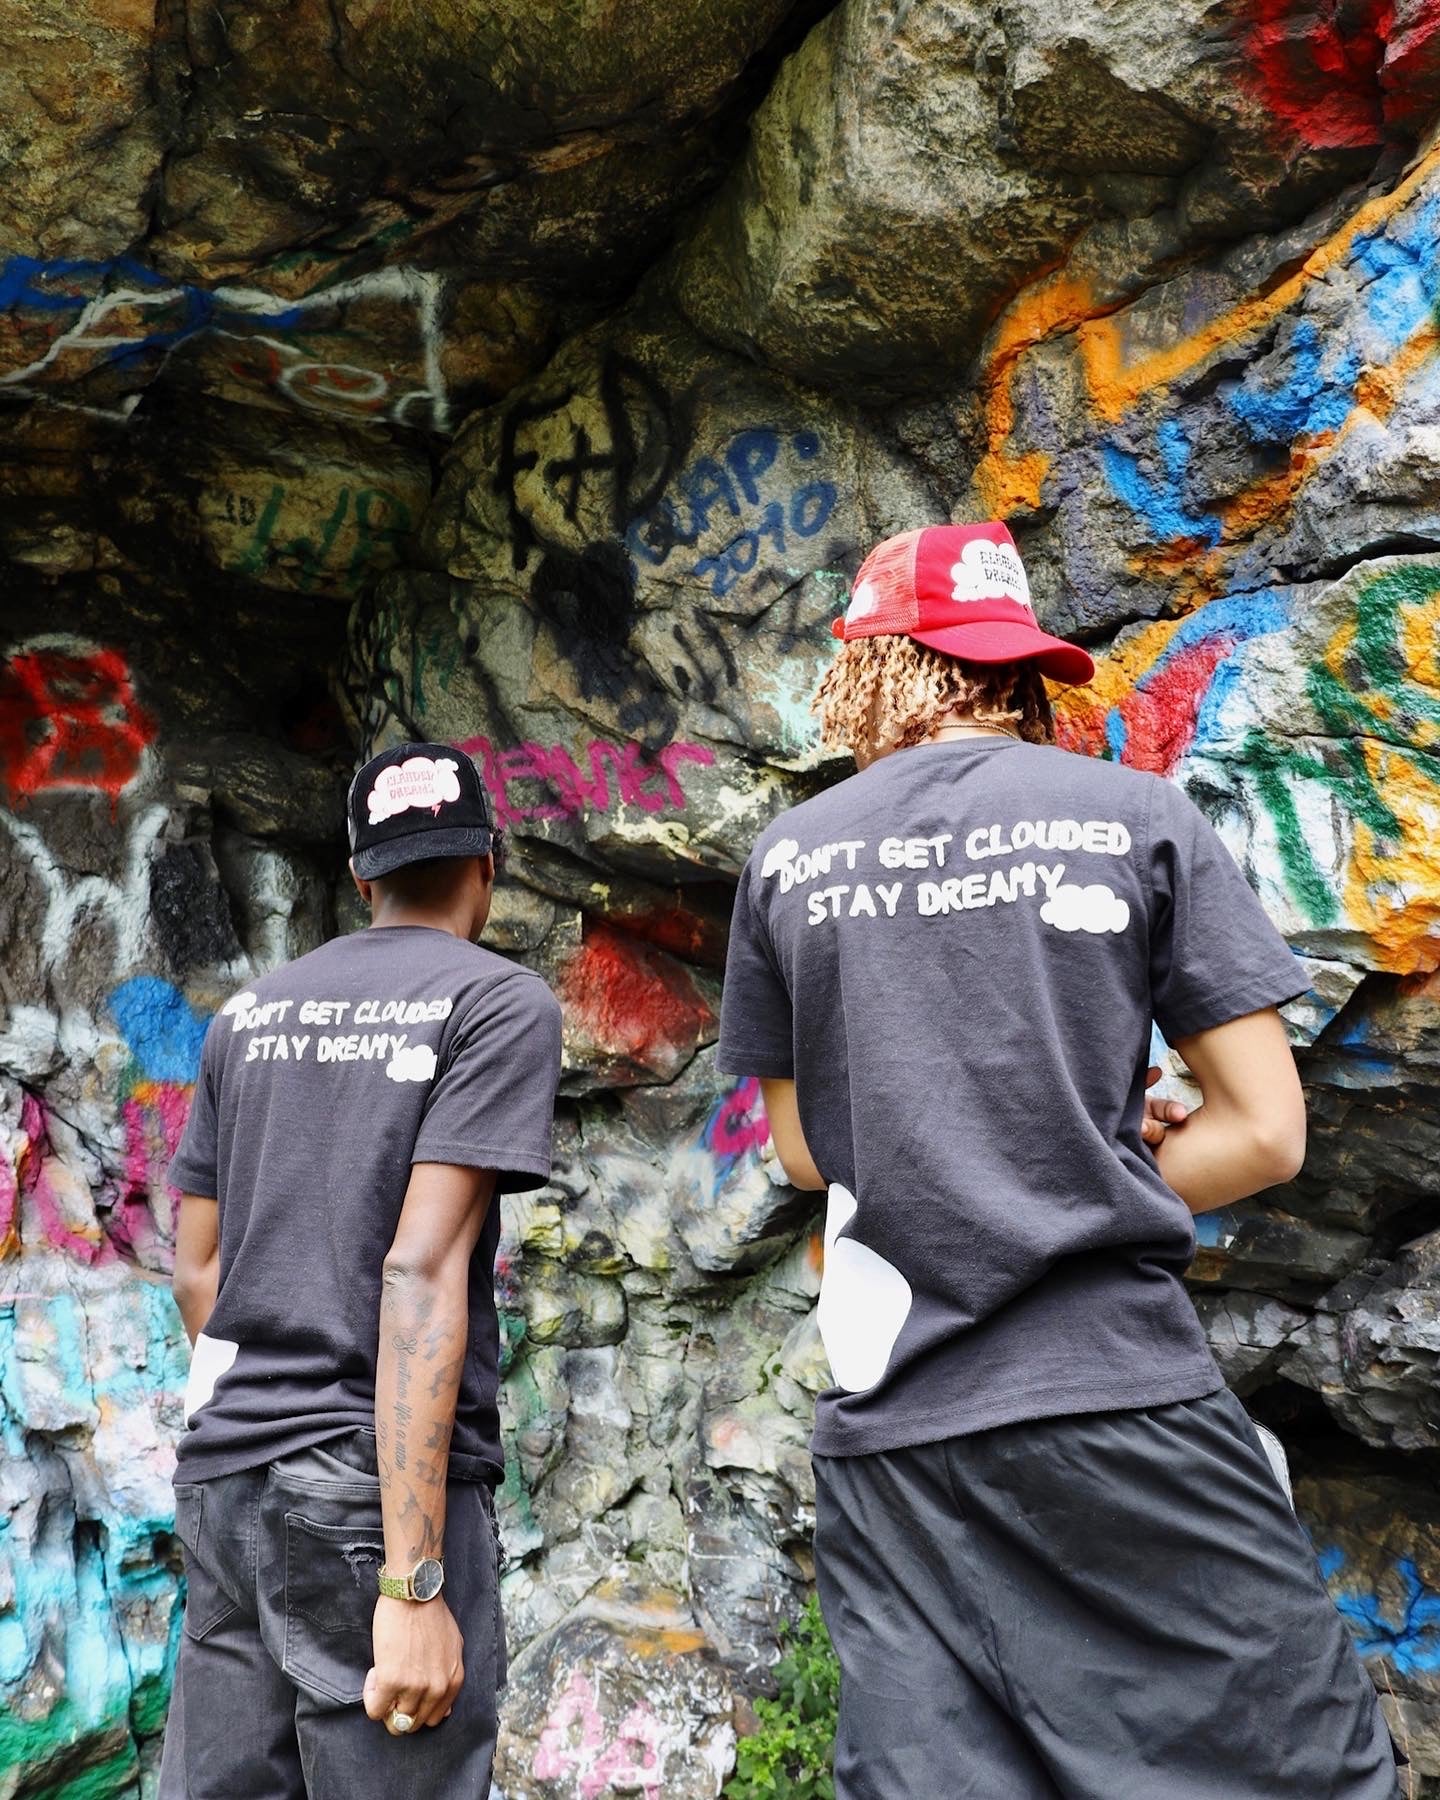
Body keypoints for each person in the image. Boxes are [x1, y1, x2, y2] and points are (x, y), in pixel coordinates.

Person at [716, 524, 1400, 1799]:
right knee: (1297, 1776)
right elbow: (1267, 1131)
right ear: (1022, 668)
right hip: (1111, 1397)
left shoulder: (789, 858)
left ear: (875, 667)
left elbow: (813, 1154)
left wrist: (992, 1148)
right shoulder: (1134, 815)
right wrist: (1085, 1156)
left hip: (897, 1432)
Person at [159, 742, 563, 1800]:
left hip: (226, 1481)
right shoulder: (496, 1003)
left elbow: (194, 1269)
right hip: (364, 1498)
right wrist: (413, 1582)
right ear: (489, 859)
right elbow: (420, 1272)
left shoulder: (247, 1016)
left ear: (361, 875)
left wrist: (259, 1424)